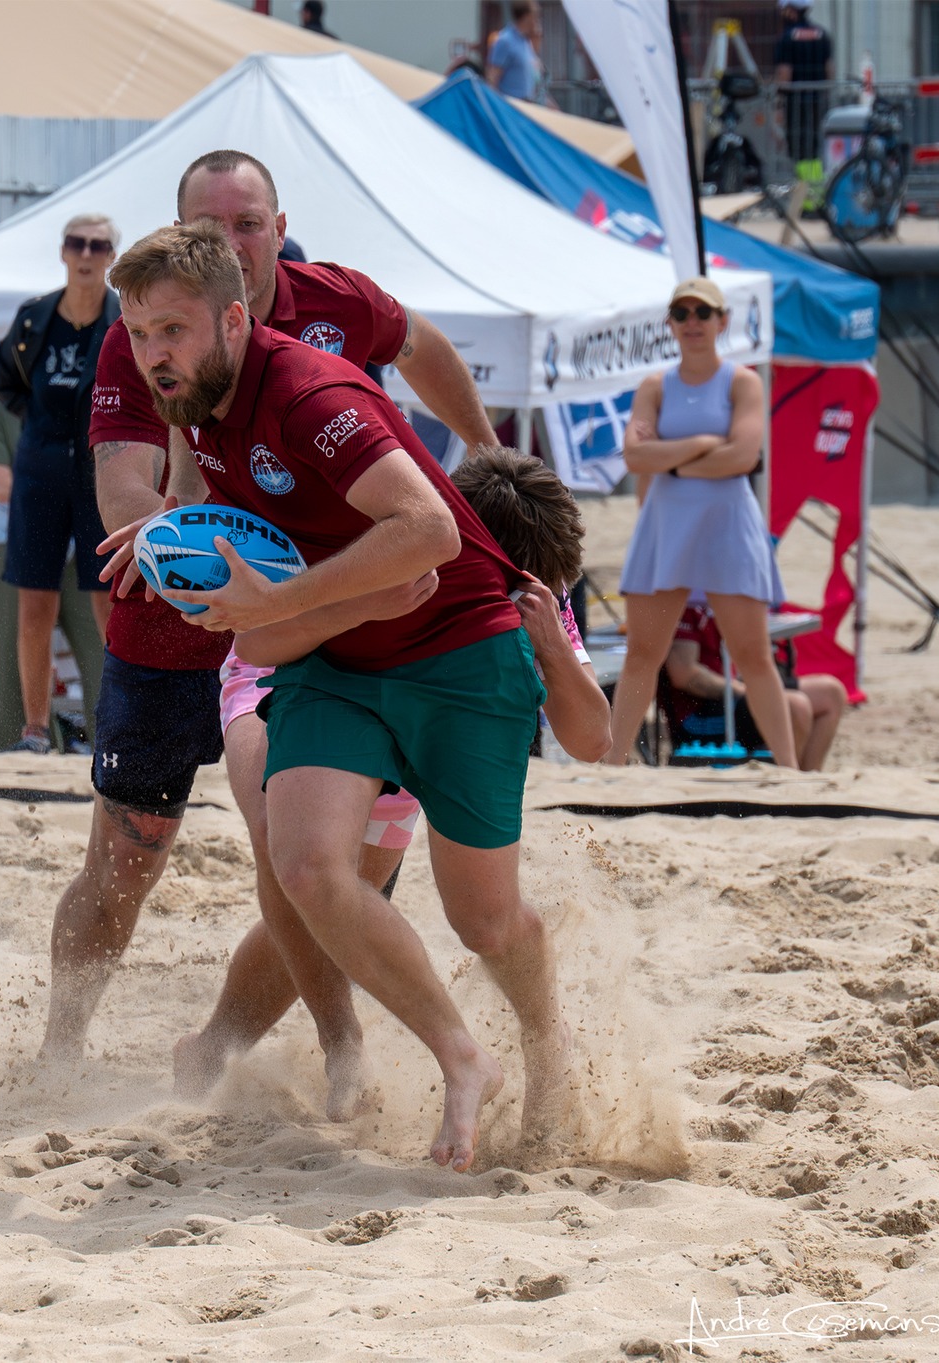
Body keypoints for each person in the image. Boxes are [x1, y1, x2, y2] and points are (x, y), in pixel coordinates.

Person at [104, 221, 568, 1173]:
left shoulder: (311, 390)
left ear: (234, 318)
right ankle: (459, 1053)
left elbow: (433, 530)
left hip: (456, 647)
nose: (156, 353)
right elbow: (251, 568)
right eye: (141, 333)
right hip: (342, 653)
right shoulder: (194, 398)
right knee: (307, 866)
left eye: (174, 330)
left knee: (486, 920)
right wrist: (166, 539)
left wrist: (282, 601)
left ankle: (549, 1039)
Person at [38, 148, 497, 1068]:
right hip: (178, 616)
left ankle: (272, 1045)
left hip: (333, 619)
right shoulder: (152, 329)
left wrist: (485, 452)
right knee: (128, 854)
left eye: (246, 225)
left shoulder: (334, 304)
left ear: (278, 232)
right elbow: (125, 495)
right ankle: (61, 1048)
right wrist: (185, 548)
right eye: (208, 227)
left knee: (323, 872)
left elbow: (424, 347)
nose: (228, 242)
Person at [175, 445, 611, 1103]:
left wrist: (551, 645)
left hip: (431, 714)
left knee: (358, 900)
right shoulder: (385, 539)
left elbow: (592, 739)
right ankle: (327, 1042)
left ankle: (547, 1041)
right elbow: (259, 645)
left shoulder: (529, 590)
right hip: (305, 672)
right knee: (294, 851)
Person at [604, 277, 797, 769]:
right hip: (668, 528)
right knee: (643, 654)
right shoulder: (655, 386)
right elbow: (634, 455)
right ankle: (614, 769)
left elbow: (742, 456)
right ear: (670, 322)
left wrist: (667, 459)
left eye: (703, 312)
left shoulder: (741, 382)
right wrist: (701, 444)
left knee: (753, 655)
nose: (693, 321)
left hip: (726, 526)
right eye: (683, 312)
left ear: (722, 321)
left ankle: (792, 771)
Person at [0, 214, 121, 754]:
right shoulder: (34, 318)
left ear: (113, 255)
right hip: (40, 470)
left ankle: (116, 723)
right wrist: (48, 433)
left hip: (101, 470)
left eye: (97, 245)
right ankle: (36, 730)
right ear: (63, 251)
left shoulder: (124, 317)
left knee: (109, 601)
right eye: (76, 243)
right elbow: (5, 384)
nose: (86, 253)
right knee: (34, 602)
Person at [0, 399, 103, 752]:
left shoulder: (98, 403)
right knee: (10, 655)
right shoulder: (3, 413)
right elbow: (0, 487)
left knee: (103, 648)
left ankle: (113, 742)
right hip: (15, 535)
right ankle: (22, 748)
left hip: (81, 534)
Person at [663, 604, 847, 771]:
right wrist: (744, 690)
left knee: (831, 693)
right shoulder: (688, 601)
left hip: (734, 688)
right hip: (698, 714)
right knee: (795, 706)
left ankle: (808, 780)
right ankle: (789, 779)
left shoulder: (722, 590)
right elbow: (683, 674)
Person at [774, 1, 834, 180]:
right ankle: (814, 191)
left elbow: (784, 73)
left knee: (798, 149)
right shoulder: (822, 35)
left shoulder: (786, 38)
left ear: (791, 11)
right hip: (817, 100)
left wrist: (778, 104)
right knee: (814, 148)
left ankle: (807, 194)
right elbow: (830, 69)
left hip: (795, 103)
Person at [486, 1, 550, 107]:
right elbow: (492, 78)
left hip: (528, 106)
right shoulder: (505, 41)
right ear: (526, 16)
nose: (537, 19)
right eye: (535, 15)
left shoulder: (526, 42)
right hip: (511, 107)